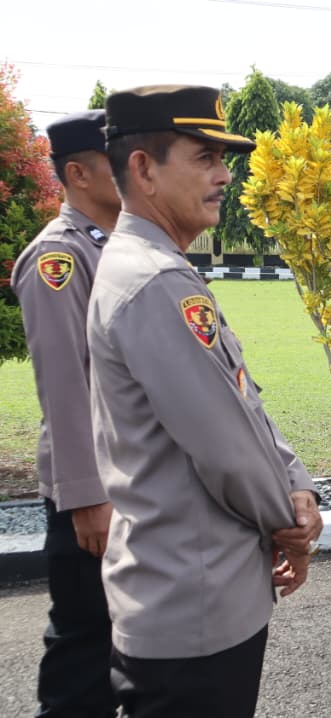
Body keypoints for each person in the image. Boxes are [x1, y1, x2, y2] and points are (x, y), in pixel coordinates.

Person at [87, 85, 322, 717]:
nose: (224, 175)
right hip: (193, 603)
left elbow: (240, 399)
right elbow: (228, 449)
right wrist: (292, 527)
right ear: (144, 169)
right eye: (205, 158)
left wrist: (297, 480)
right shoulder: (155, 280)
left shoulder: (152, 267)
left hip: (193, 589)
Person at [11, 110, 121, 718]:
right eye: (115, 160)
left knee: (125, 651)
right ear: (78, 174)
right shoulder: (60, 258)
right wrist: (87, 496)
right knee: (84, 653)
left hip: (131, 482)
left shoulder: (122, 247)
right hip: (93, 493)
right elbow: (64, 387)